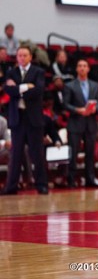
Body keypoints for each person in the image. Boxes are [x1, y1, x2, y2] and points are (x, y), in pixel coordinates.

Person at [1, 46, 48, 195]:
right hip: (17, 118)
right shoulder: (11, 72)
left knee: (37, 154)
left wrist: (18, 91)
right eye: (19, 55)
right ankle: (11, 186)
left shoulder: (38, 72)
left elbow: (39, 90)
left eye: (24, 55)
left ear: (30, 57)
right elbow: (8, 90)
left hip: (33, 118)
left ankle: (41, 185)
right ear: (17, 57)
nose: (21, 58)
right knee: (16, 155)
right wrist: (26, 87)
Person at [63, 59, 98, 187]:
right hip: (75, 122)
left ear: (88, 69)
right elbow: (65, 104)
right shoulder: (69, 85)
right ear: (76, 69)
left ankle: (90, 178)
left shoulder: (95, 85)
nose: (82, 68)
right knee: (73, 153)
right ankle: (71, 179)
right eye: (79, 66)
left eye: (84, 66)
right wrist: (77, 110)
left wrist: (95, 108)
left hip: (90, 123)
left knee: (90, 153)